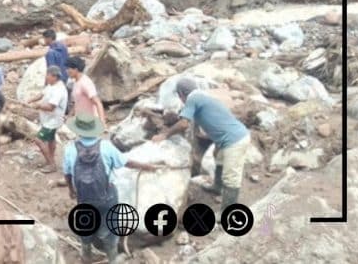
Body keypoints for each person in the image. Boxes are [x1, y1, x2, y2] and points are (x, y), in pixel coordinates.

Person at [63, 113, 159, 264]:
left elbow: (67, 173)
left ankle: (86, 255)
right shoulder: (106, 146)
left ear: (78, 130)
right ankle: (112, 258)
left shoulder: (70, 149)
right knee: (109, 224)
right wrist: (146, 166)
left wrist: (71, 190)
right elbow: (126, 162)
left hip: (84, 196)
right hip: (106, 195)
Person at [152, 77, 251, 212]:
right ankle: (217, 187)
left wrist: (164, 135)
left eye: (179, 96)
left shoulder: (193, 98)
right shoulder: (202, 96)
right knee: (219, 160)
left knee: (231, 177)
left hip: (235, 140)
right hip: (228, 137)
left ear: (181, 94)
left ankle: (227, 211)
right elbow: (210, 120)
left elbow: (184, 123)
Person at [28, 67, 68, 173]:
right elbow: (42, 94)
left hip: (53, 120)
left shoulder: (59, 90)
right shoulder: (51, 85)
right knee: (51, 139)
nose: (46, 77)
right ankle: (50, 159)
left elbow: (51, 107)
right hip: (48, 118)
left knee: (38, 140)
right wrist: (30, 100)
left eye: (48, 75)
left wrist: (37, 105)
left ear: (54, 76)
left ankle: (51, 164)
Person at [67, 56, 106, 126]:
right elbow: (77, 102)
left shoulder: (85, 83)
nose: (67, 71)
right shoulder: (76, 82)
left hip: (90, 122)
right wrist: (69, 116)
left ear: (75, 69)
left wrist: (102, 121)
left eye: (68, 69)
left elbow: (98, 102)